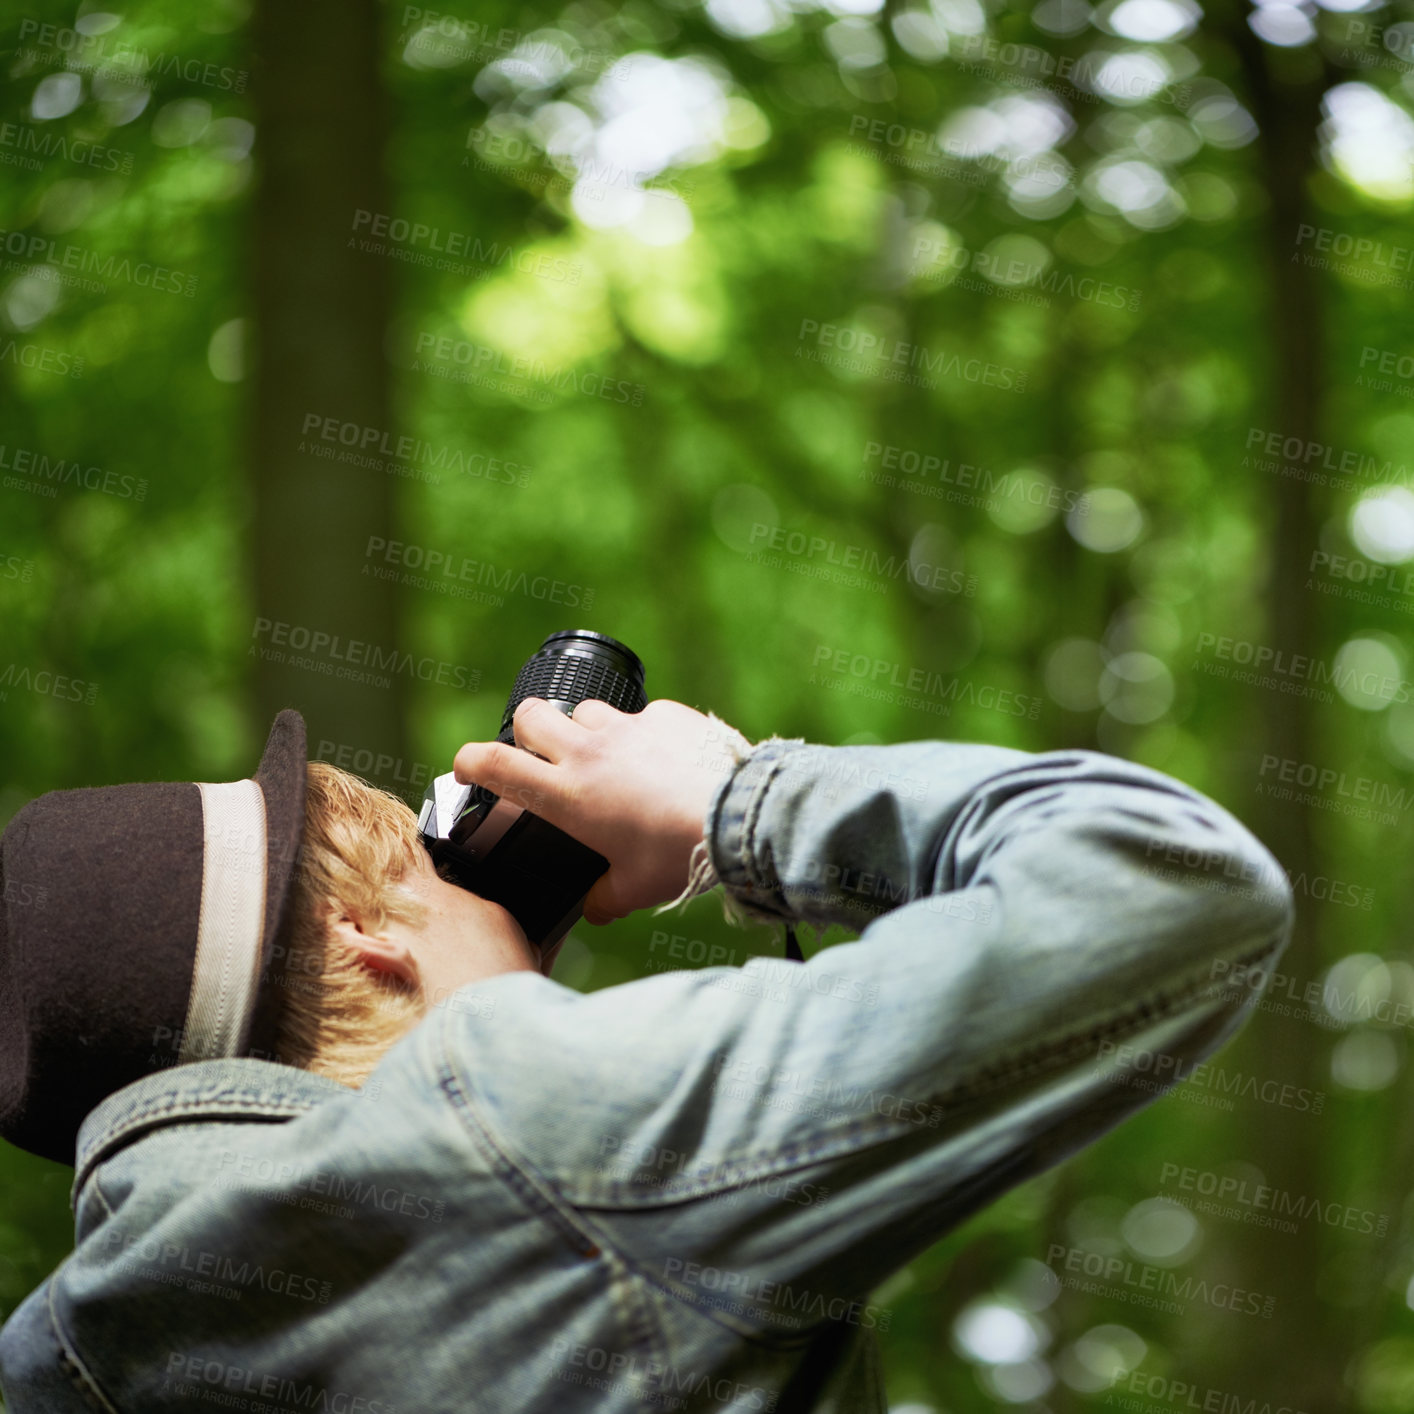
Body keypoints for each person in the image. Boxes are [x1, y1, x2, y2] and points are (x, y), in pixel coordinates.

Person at [0, 696, 1292, 1413]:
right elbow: (1171, 886)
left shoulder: (62, 1354)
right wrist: (733, 797)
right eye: (432, 858)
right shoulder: (529, 1129)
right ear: (360, 932)